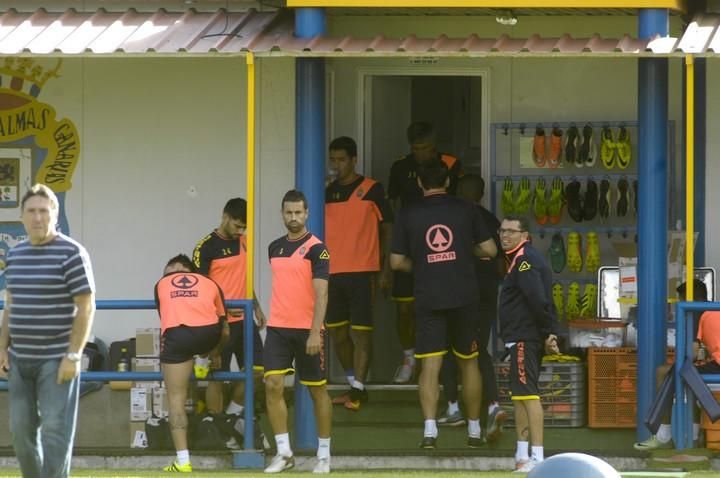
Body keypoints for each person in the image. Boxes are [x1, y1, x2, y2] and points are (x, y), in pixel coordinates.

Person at [390, 159, 497, 449]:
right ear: (448, 181)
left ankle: (429, 431)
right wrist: (463, 251)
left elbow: (396, 261)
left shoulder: (408, 213)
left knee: (430, 366)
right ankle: (474, 431)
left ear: (420, 183)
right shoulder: (467, 209)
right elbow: (490, 249)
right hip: (465, 296)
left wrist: (424, 264)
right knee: (469, 362)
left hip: (429, 296)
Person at [0, 184, 96, 478]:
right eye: (32, 211)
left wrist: (73, 354)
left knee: (56, 432)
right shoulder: (16, 256)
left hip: (57, 360)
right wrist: (2, 348)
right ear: (22, 217)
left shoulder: (72, 253)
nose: (38, 217)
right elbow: (10, 305)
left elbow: (86, 306)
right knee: (20, 432)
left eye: (44, 211)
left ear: (55, 214)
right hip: (19, 360)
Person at [387, 121, 464, 383]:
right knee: (405, 309)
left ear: (435, 146)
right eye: (416, 149)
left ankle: (443, 365)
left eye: (426, 148)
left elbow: (463, 203)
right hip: (409, 246)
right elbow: (393, 209)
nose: (421, 154)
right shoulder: (400, 167)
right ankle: (409, 357)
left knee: (444, 308)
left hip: (443, 246)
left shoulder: (451, 164)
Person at [263, 190, 333, 474]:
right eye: (288, 212)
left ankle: (324, 455)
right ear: (282, 214)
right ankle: (284, 453)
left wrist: (315, 332)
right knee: (272, 385)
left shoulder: (318, 248)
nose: (293, 217)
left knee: (318, 392)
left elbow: (323, 293)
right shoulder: (274, 247)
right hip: (278, 328)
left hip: (308, 330)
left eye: (298, 213)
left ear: (307, 214)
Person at [325, 136, 393, 411]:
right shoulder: (326, 192)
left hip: (363, 272)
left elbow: (389, 228)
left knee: (361, 333)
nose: (337, 165)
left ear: (354, 160)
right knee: (337, 335)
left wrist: (386, 268)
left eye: (342, 160)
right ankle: (353, 382)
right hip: (331, 273)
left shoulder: (372, 189)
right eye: (333, 160)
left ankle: (359, 388)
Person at [438, 174, 508, 442]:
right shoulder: (492, 221)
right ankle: (490, 406)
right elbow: (501, 265)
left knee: (448, 349)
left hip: (458, 295)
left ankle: (457, 407)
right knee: (478, 349)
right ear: (480, 193)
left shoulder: (454, 219)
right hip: (487, 295)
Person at [193, 198, 266, 428]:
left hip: (245, 321)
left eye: (243, 227)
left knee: (258, 371)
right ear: (225, 217)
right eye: (237, 225)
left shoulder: (243, 242)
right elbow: (200, 290)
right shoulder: (205, 247)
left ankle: (231, 417)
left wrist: (256, 305)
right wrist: (222, 309)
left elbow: (244, 277)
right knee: (218, 377)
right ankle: (215, 427)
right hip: (218, 323)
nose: (240, 231)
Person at [155, 254, 229, 473]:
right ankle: (205, 357)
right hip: (209, 333)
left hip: (178, 335)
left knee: (176, 400)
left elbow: (164, 317)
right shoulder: (211, 283)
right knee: (209, 338)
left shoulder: (160, 284)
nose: (172, 276)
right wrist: (216, 352)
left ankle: (183, 461)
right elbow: (225, 329)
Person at [497, 215, 559, 473]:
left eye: (511, 231)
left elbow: (538, 298)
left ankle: (537, 457)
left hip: (525, 336)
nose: (505, 236)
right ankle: (522, 454)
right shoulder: (518, 259)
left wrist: (548, 333)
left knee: (529, 395)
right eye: (502, 231)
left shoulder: (524, 261)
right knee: (520, 396)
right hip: (519, 337)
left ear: (525, 235)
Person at [634, 279, 709, 450]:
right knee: (688, 380)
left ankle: (663, 434)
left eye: (680, 299)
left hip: (709, 365)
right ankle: (694, 436)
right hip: (710, 363)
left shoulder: (695, 313)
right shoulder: (711, 310)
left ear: (690, 298)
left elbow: (694, 351)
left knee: (663, 372)